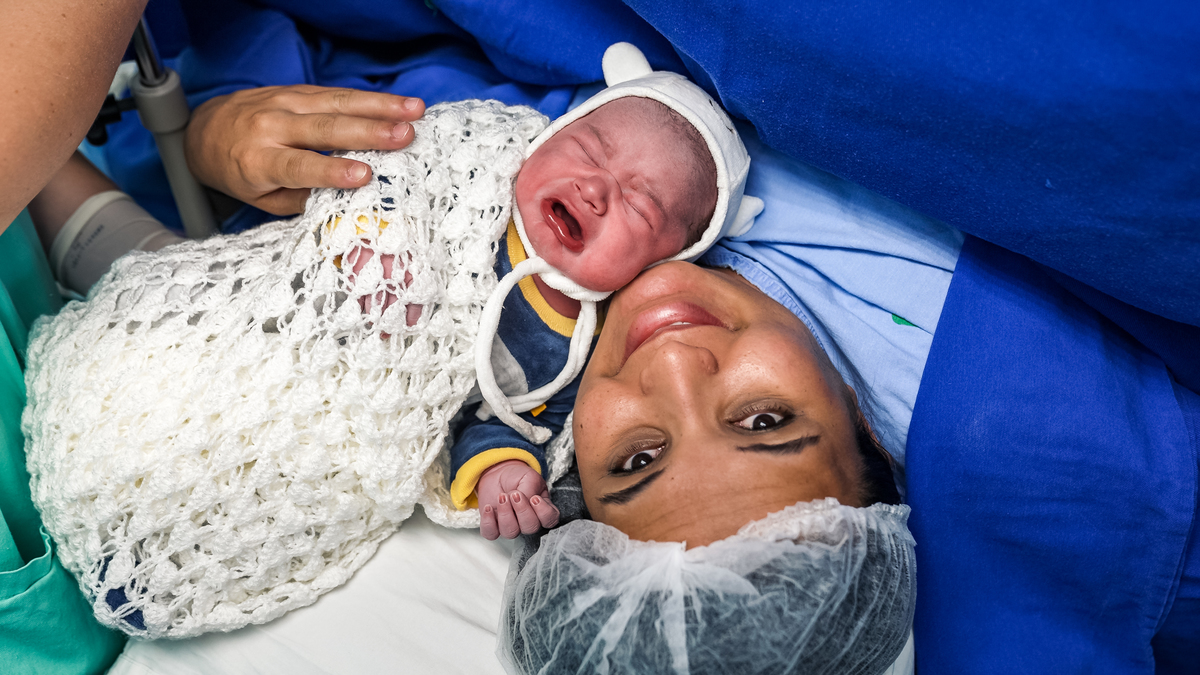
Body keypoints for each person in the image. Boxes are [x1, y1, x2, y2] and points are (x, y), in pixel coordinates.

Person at [21, 43, 762, 639]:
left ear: (664, 260)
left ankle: (156, 555)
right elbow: (390, 164)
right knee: (154, 325)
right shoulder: (481, 160)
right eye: (590, 148)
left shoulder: (571, 349)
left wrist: (503, 468)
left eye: (640, 205)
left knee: (265, 494)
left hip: (348, 428)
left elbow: (499, 420)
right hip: (271, 311)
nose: (598, 188)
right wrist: (372, 232)